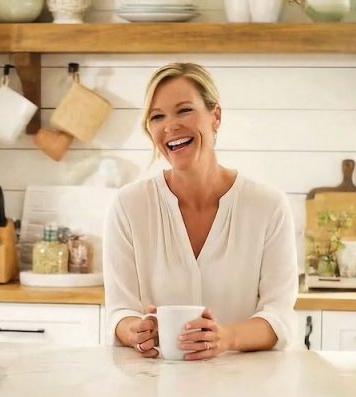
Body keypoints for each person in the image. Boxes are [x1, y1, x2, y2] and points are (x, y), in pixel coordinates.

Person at [103, 62, 298, 360]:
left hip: (247, 389)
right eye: (157, 117)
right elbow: (121, 310)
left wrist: (225, 338)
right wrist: (135, 330)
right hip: (152, 388)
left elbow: (279, 317)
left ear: (215, 116)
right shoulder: (129, 206)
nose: (170, 125)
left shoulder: (268, 206)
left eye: (184, 110)